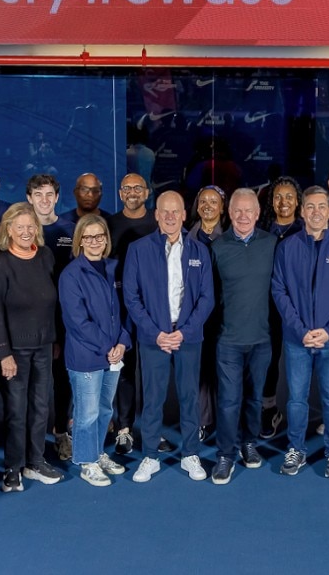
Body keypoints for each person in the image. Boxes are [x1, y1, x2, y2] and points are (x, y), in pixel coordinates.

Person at [123, 191, 215, 483]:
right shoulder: (138, 249)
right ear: (157, 215)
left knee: (189, 397)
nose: (171, 217)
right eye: (165, 212)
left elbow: (207, 298)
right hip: (154, 337)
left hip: (188, 336)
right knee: (153, 398)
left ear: (185, 215)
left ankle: (190, 453)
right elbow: (131, 297)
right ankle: (150, 456)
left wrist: (184, 333)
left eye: (176, 211)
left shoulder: (199, 250)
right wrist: (157, 333)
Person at [271, 186, 329, 478]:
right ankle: (296, 448)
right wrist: (300, 329)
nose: (316, 212)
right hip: (298, 340)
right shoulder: (287, 247)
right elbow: (279, 291)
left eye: (322, 206)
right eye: (310, 207)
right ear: (302, 210)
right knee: (296, 399)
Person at [0, 202, 65, 492]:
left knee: (41, 406)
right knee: (16, 410)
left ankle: (35, 461)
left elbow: (52, 305)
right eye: (19, 227)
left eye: (30, 226)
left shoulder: (45, 256)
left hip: (44, 345)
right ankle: (13, 467)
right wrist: (3, 352)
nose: (26, 231)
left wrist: (55, 338)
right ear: (8, 229)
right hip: (14, 351)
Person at [209, 189, 278, 485]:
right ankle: (225, 454)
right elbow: (209, 294)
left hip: (262, 338)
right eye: (237, 211)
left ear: (258, 213)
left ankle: (249, 443)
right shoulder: (218, 247)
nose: (243, 216)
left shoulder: (272, 244)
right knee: (228, 400)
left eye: (248, 211)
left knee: (254, 399)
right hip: (229, 340)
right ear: (229, 212)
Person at [58, 215, 131, 487]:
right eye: (88, 237)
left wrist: (123, 343)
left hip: (114, 354)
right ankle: (86, 461)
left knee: (103, 410)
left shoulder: (115, 268)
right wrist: (108, 347)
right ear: (79, 241)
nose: (95, 242)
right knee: (86, 413)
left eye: (99, 236)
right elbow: (77, 322)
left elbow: (127, 310)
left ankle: (98, 453)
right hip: (86, 356)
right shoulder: (72, 275)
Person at [106, 173, 158, 456]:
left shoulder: (157, 221)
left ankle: (152, 428)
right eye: (127, 188)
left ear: (147, 192)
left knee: (152, 370)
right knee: (123, 370)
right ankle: (124, 429)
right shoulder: (110, 224)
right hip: (120, 307)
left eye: (138, 187)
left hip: (153, 309)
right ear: (120, 192)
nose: (133, 192)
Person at [24, 174, 74, 461]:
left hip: (63, 319)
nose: (44, 200)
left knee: (61, 380)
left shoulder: (69, 229)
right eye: (38, 194)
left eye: (49, 194)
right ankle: (30, 439)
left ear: (57, 198)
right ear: (29, 198)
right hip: (31, 322)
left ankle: (60, 433)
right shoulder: (20, 231)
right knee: (32, 383)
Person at [258, 175, 303, 440]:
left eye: (289, 196)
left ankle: (302, 418)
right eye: (278, 196)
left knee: (302, 362)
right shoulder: (262, 231)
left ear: (297, 201)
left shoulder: (306, 230)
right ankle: (268, 408)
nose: (283, 202)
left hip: (299, 309)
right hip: (268, 309)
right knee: (269, 360)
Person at [188, 184, 227, 440]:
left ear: (222, 208)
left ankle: (226, 422)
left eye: (214, 202)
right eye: (203, 201)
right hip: (196, 316)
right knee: (200, 370)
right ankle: (204, 420)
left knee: (224, 369)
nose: (208, 206)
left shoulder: (233, 238)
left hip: (225, 315)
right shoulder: (186, 239)